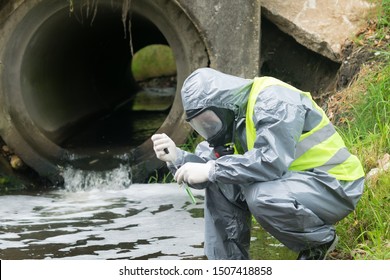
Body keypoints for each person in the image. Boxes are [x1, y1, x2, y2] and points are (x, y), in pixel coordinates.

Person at [151, 68, 365, 260]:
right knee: (219, 179)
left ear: (222, 104)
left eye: (208, 121)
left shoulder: (273, 99)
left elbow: (271, 162)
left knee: (258, 193)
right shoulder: (232, 120)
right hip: (296, 186)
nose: (207, 129)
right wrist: (177, 158)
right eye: (200, 125)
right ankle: (227, 267)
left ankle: (318, 244)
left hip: (334, 184)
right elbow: (207, 174)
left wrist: (211, 169)